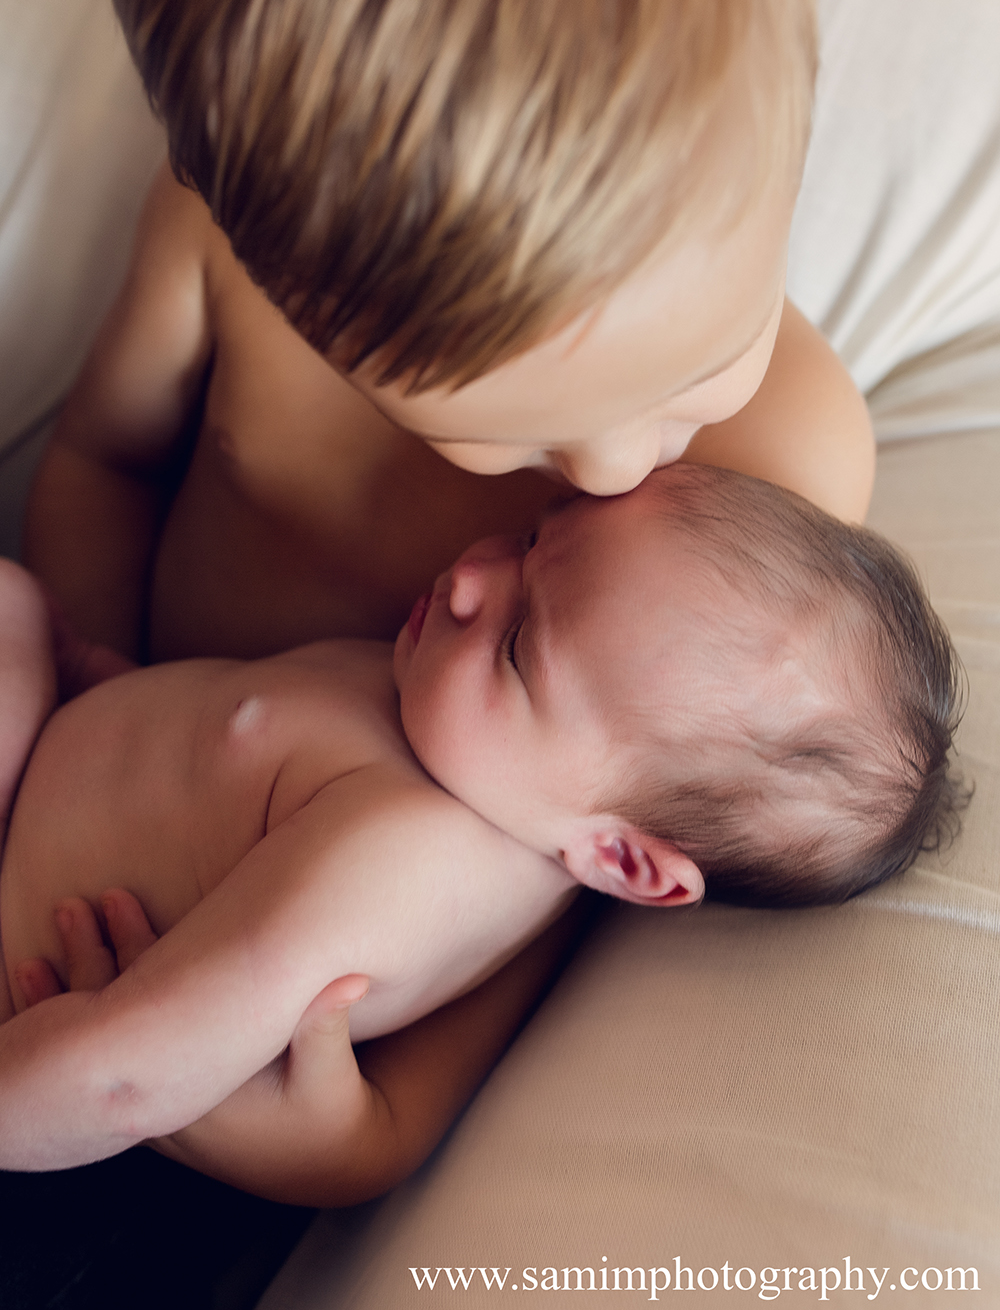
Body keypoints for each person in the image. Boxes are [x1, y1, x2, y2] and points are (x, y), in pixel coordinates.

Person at [24, 0, 875, 665]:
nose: (613, 470)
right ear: (269, 263)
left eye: (704, 365)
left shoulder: (785, 475)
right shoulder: (219, 257)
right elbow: (106, 468)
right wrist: (92, 682)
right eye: (513, 437)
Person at [0, 465, 964, 1206]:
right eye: (532, 536)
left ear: (620, 858)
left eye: (515, 647)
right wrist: (90, 674)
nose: (470, 576)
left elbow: (124, 1078)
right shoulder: (452, 729)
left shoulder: (412, 861)